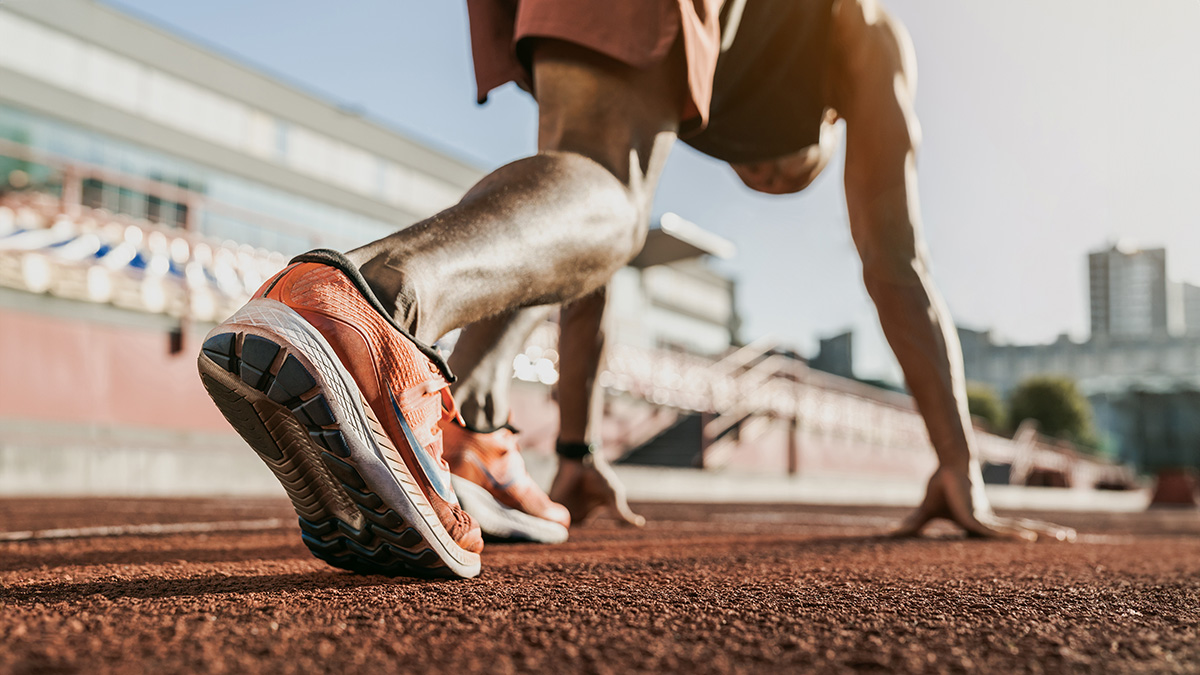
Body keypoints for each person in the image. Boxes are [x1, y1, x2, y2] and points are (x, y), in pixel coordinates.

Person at [197, 0, 1074, 580]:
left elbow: (571, 260)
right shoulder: (866, 33)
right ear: (828, 124)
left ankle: (465, 431)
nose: (759, 173)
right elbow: (897, 260)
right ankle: (364, 305)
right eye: (777, 169)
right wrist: (961, 462)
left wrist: (576, 447)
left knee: (578, 202)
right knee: (607, 200)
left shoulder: (724, 67)